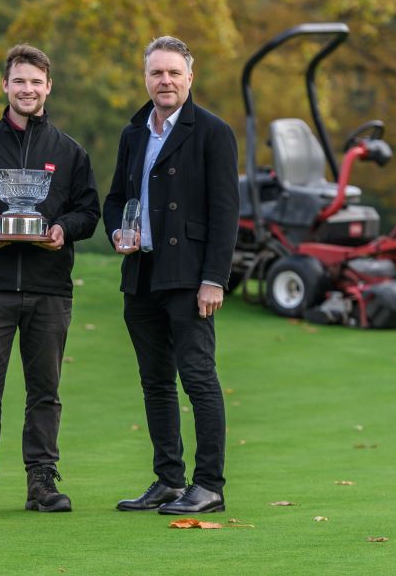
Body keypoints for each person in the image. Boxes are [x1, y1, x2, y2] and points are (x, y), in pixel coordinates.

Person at [0, 44, 100, 514]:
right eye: (19, 81)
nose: (27, 89)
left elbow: (88, 213)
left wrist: (61, 230)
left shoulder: (70, 152)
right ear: (5, 86)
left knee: (45, 391)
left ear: (48, 87)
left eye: (35, 82)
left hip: (50, 287)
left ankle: (42, 482)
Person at [103, 36, 239, 515]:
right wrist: (118, 232)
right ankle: (167, 480)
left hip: (190, 277)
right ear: (146, 78)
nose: (165, 81)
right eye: (157, 73)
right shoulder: (133, 133)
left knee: (198, 379)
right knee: (155, 381)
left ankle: (209, 486)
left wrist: (215, 278)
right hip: (141, 273)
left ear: (189, 77)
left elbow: (226, 212)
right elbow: (117, 196)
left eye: (174, 73)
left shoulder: (213, 132)